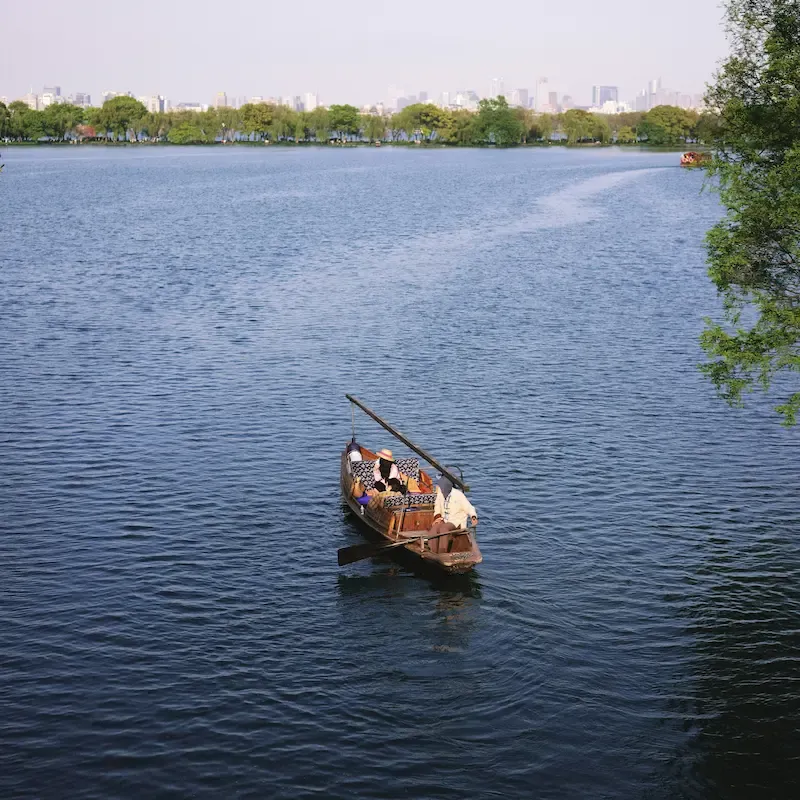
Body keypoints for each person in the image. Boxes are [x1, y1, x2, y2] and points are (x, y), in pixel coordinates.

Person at [428, 475, 478, 554]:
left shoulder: (458, 495)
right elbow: (437, 507)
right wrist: (437, 517)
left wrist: (473, 516)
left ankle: (442, 552)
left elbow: (469, 508)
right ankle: (432, 552)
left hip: (456, 521)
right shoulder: (441, 493)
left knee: (444, 529)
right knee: (434, 528)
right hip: (444, 519)